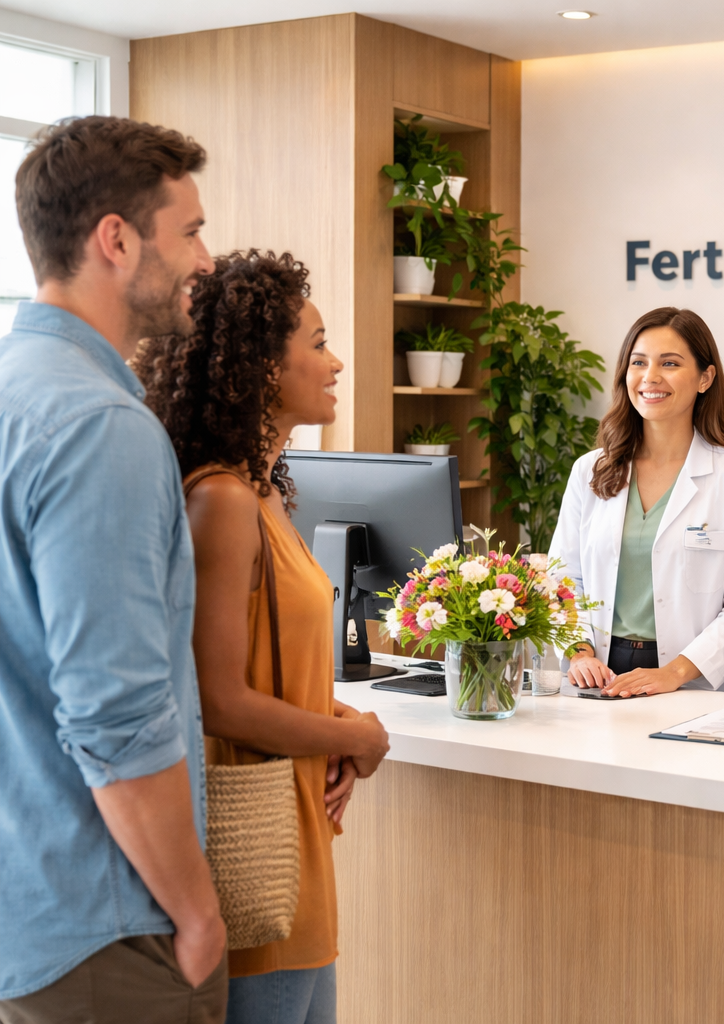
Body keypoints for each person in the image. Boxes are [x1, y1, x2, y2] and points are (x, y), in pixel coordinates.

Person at [0, 117, 228, 1021]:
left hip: (29, 910)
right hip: (108, 929)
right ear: (117, 240)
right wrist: (197, 910)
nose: (207, 260)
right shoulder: (101, 429)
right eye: (193, 231)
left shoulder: (16, 392)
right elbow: (117, 717)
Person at [135, 250, 390, 1024]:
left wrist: (335, 727)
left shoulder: (265, 492)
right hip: (253, 845)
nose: (337, 360)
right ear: (261, 367)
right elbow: (217, 699)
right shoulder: (222, 500)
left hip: (298, 838)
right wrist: (359, 734)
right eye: (317, 343)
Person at [549, 306, 724, 697]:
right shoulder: (590, 471)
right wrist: (580, 653)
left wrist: (673, 672)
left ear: (705, 378)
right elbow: (562, 581)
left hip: (694, 679)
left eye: (669, 363)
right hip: (598, 673)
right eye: (639, 362)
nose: (651, 377)